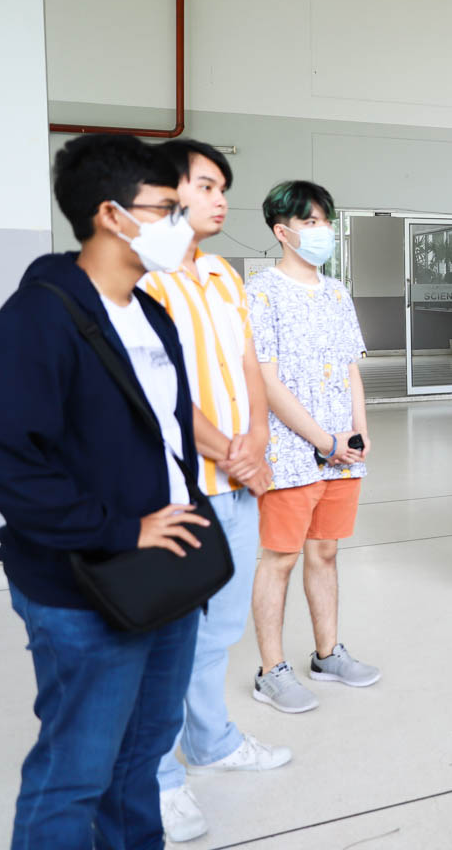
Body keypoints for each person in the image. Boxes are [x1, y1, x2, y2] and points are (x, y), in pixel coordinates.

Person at [0, 134, 209, 848]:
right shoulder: (37, 318)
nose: (183, 224)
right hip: (83, 584)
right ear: (111, 214)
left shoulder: (151, 313)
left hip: (166, 572)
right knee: (76, 769)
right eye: (166, 209)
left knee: (143, 755)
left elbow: (162, 435)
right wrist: (120, 529)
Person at [140, 140, 290, 842]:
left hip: (237, 484)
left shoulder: (224, 274)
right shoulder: (139, 277)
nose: (220, 199)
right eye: (205, 185)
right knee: (165, 635)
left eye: (223, 187)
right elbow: (152, 389)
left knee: (219, 628)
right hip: (176, 488)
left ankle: (211, 741)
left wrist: (257, 438)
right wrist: (234, 455)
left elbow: (248, 365)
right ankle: (155, 778)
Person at [246, 180, 380, 714]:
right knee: (279, 558)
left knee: (325, 551)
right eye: (311, 222)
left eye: (326, 221)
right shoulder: (261, 292)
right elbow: (267, 381)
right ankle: (270, 671)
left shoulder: (337, 293)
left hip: (343, 452)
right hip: (290, 452)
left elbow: (351, 368)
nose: (323, 230)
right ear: (283, 232)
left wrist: (358, 431)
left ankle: (327, 655)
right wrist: (324, 441)